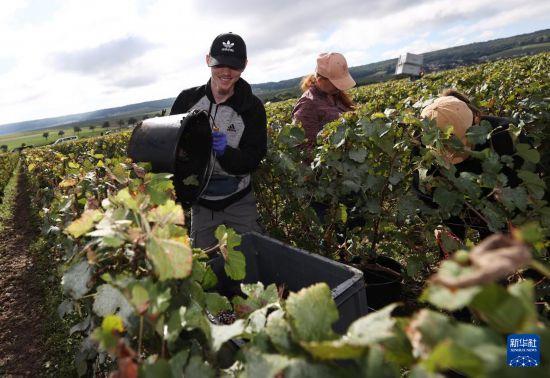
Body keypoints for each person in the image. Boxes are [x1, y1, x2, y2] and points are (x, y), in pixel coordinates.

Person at [170, 32, 267, 250]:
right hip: (201, 205)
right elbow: (171, 147)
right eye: (219, 64)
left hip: (239, 202)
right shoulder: (187, 100)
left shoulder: (252, 108)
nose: (226, 72)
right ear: (208, 61)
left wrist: (226, 152)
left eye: (233, 66)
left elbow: (254, 158)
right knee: (205, 266)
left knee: (250, 256)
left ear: (244, 66)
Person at [413, 89, 532, 241]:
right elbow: (423, 193)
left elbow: (526, 183)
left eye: (459, 145)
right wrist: (443, 228)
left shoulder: (505, 136)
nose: (452, 156)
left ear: (476, 122)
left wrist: (516, 217)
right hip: (470, 210)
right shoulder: (423, 149)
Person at [292, 52, 356, 152]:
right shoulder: (307, 105)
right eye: (335, 83)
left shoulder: (335, 95)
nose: (339, 87)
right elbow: (305, 151)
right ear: (320, 79)